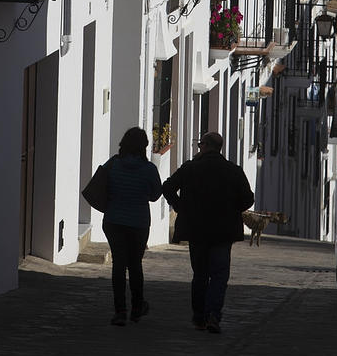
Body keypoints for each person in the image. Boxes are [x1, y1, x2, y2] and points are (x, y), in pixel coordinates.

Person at [162, 131, 254, 334]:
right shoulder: (233, 170)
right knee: (220, 274)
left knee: (200, 274)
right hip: (223, 232)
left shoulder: (190, 168)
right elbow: (248, 199)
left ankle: (199, 317)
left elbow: (167, 187)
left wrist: (180, 207)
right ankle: (213, 314)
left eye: (200, 144)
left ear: (205, 146)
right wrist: (232, 209)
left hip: (197, 229)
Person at [102, 127, 162, 326]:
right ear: (144, 146)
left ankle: (120, 311)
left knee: (118, 265)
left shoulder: (113, 165)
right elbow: (155, 195)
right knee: (135, 264)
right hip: (138, 222)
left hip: (114, 220)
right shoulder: (149, 169)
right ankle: (137, 307)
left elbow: (102, 186)